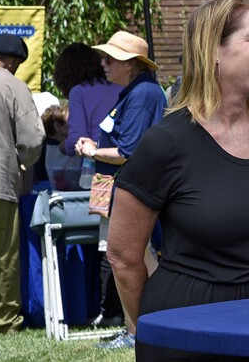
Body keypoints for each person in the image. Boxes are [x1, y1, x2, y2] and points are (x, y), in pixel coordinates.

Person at [106, 0, 249, 361]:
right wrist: (153, 327)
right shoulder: (166, 142)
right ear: (213, 49)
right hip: (188, 328)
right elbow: (122, 256)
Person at [74, 31, 167, 344]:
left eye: (110, 58)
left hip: (129, 190)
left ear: (130, 63)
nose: (103, 63)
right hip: (117, 188)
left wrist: (91, 151)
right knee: (128, 257)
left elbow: (128, 151)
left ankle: (143, 329)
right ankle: (136, 327)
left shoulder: (142, 94)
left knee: (132, 258)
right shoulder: (135, 91)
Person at [0, 34, 44, 334]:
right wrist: (23, 160)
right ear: (10, 61)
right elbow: (32, 138)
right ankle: (3, 321)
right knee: (3, 255)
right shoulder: (13, 86)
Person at [53, 43, 123, 163]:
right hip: (123, 156)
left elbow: (77, 139)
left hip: (98, 163)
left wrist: (62, 146)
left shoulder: (78, 92)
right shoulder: (120, 85)